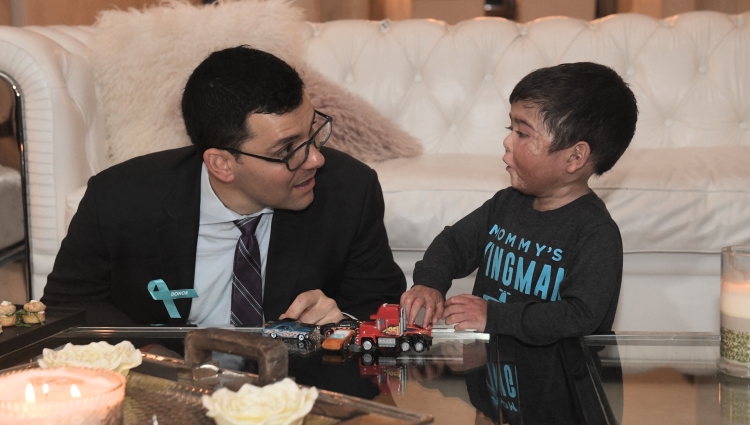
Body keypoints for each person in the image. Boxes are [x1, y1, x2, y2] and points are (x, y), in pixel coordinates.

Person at [41, 46, 406, 326]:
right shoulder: (119, 199)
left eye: (313, 131)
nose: (315, 159)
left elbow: (379, 309)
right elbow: (68, 306)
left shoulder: (349, 191)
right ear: (222, 164)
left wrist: (339, 321)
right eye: (287, 150)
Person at [400, 62, 638, 345]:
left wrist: (495, 316)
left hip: (556, 379)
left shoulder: (595, 232)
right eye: (509, 127)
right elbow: (455, 243)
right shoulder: (506, 204)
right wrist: (430, 282)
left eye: (522, 133)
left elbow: (581, 315)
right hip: (494, 369)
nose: (507, 141)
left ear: (575, 158)